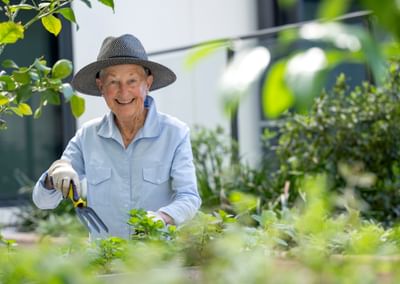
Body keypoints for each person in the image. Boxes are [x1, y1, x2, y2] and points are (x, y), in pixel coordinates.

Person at [32, 34, 201, 239]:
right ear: (101, 86)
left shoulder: (174, 133)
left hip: (157, 259)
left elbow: (189, 197)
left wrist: (162, 217)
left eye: (132, 81)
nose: (123, 92)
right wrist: (54, 175)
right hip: (105, 261)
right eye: (113, 82)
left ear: (147, 83)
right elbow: (43, 202)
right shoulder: (88, 135)